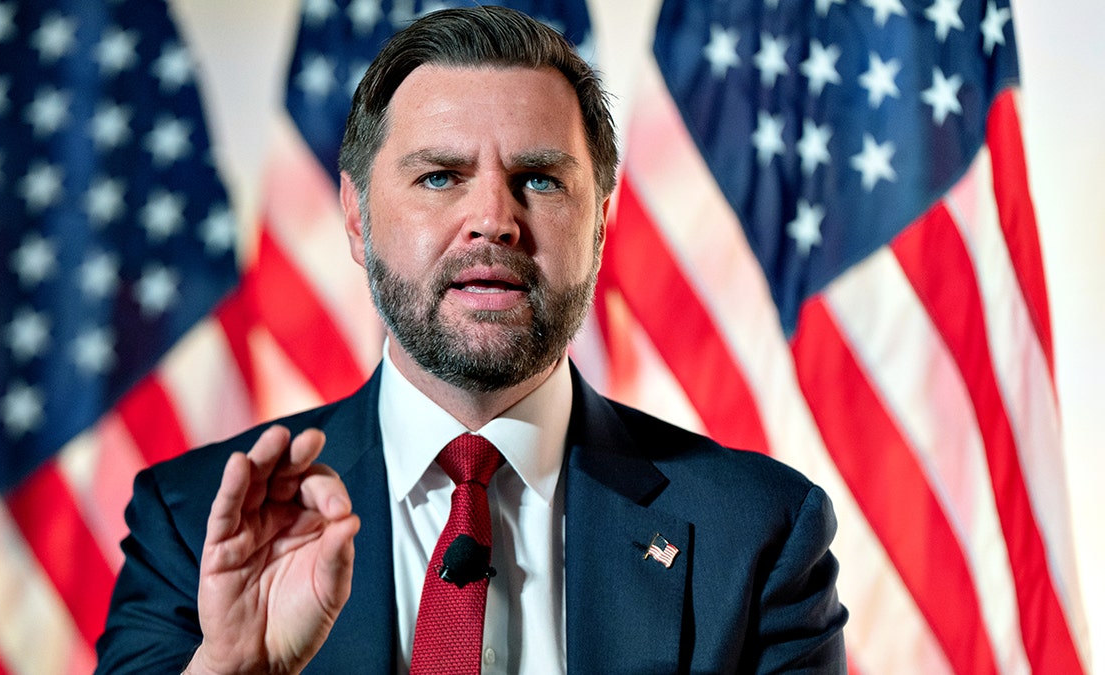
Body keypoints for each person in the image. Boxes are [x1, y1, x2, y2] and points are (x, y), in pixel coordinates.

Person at [95, 6, 848, 673]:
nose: (493, 218)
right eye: (440, 176)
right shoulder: (193, 525)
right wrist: (231, 670)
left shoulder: (760, 534)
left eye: (541, 179)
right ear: (356, 219)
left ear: (602, 221)